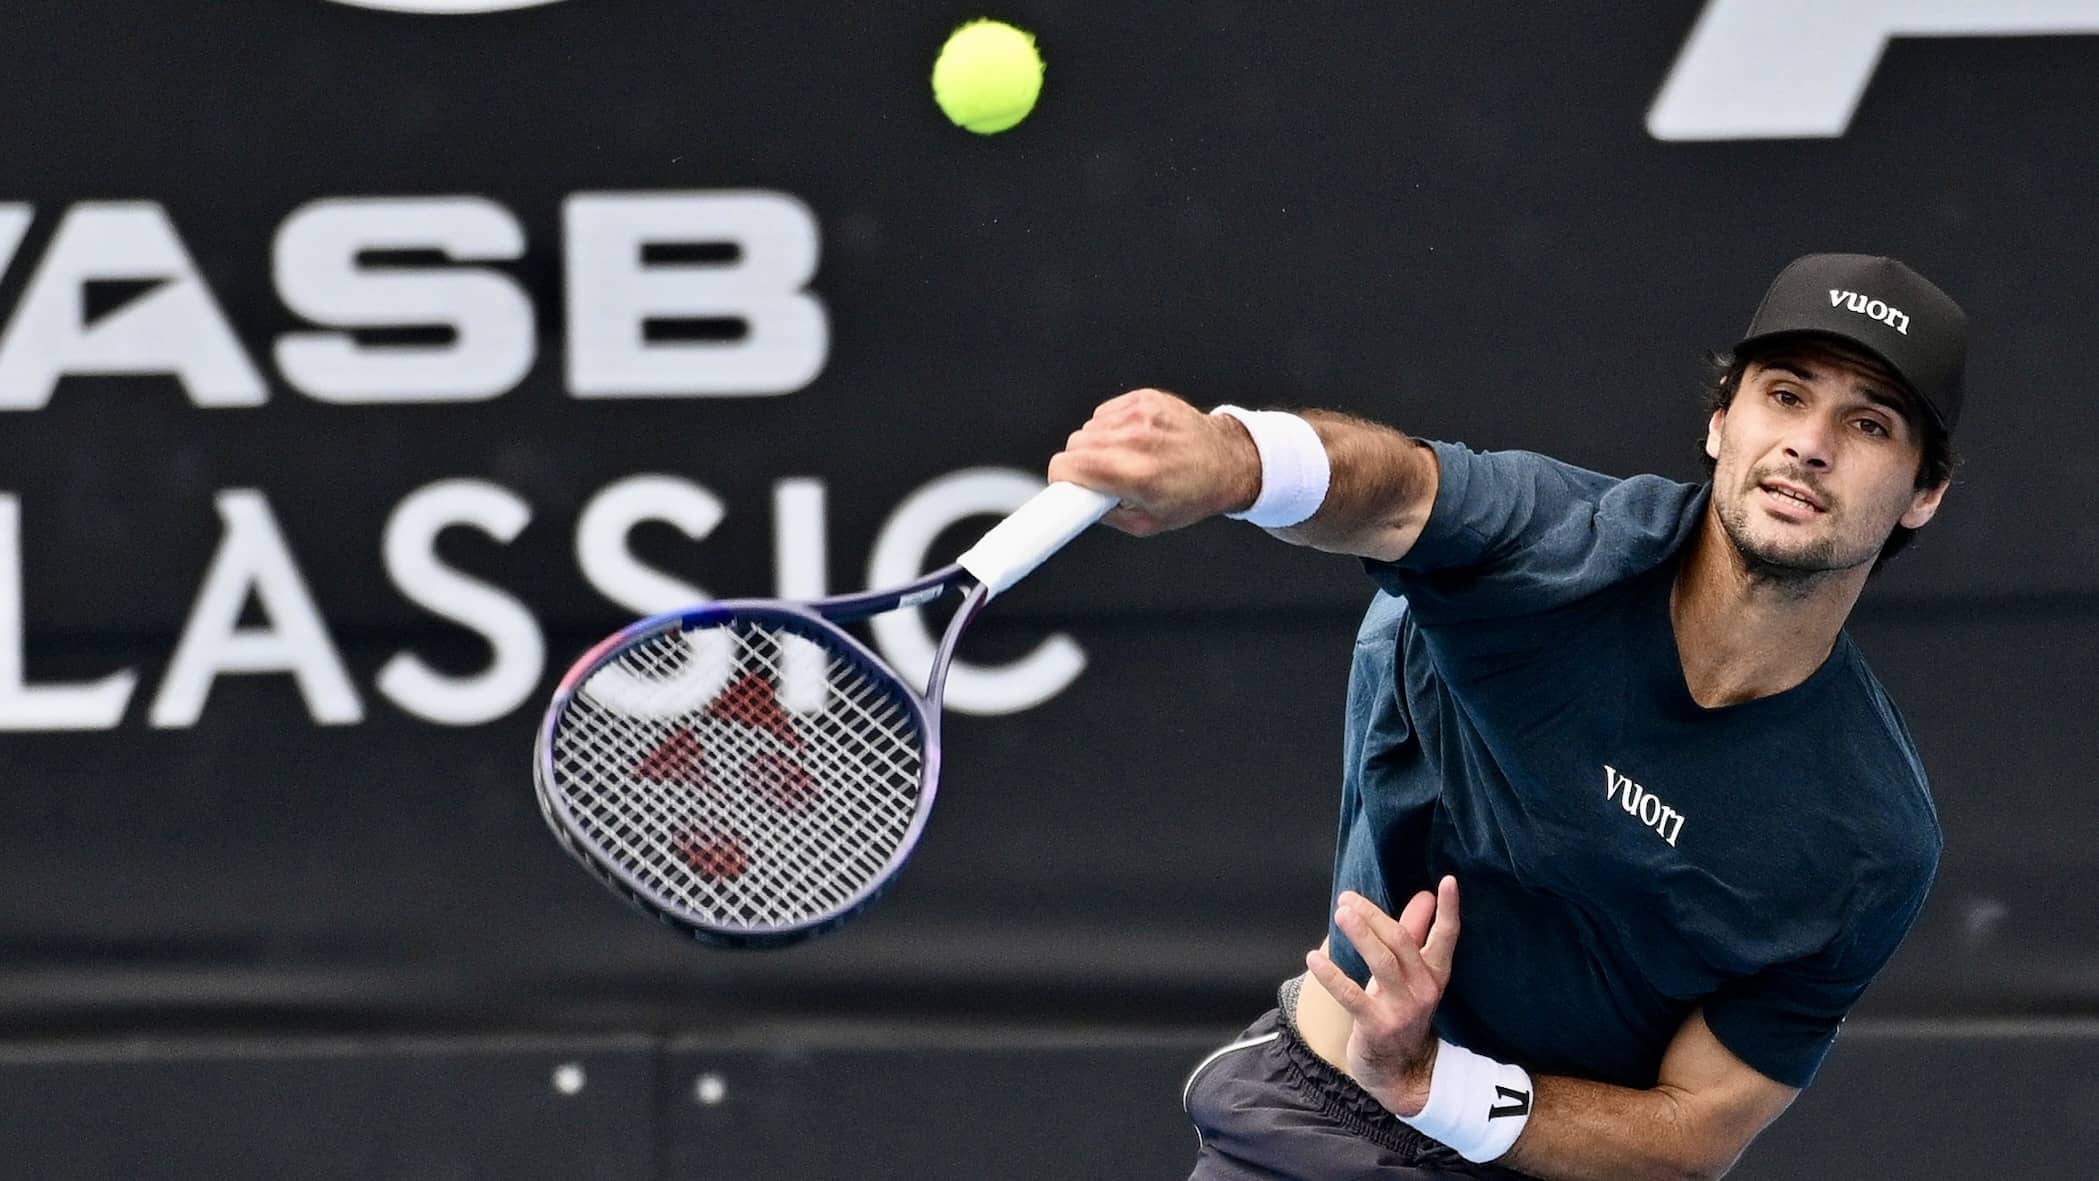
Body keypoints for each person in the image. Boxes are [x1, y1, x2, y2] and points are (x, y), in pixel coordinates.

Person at [1047, 254, 1964, 1180]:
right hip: (1322, 1130)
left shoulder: (1871, 836)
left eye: (1868, 423)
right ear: (1721, 422)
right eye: (1784, 395)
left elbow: (1694, 1131)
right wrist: (1235, 458)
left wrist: (1434, 1083)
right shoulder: (1559, 540)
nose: (1809, 443)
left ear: (1922, 494)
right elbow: (1400, 490)